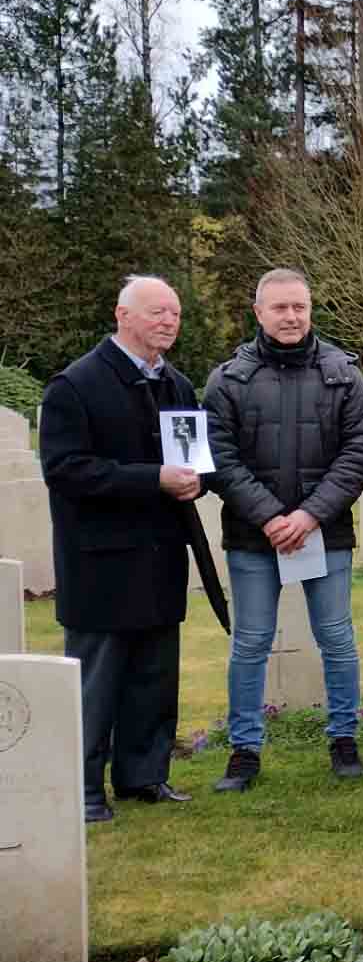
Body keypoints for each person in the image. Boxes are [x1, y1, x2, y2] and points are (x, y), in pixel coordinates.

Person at [203, 268, 363, 792]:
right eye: (279, 308)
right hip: (254, 536)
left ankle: (344, 738)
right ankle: (244, 750)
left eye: (299, 307)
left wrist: (308, 515)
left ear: (310, 309)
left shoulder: (342, 373)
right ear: (258, 312)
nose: (291, 316)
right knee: (252, 642)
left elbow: (359, 451)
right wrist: (271, 517)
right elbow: (221, 458)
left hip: (325, 531)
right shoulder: (228, 379)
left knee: (337, 639)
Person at [40, 275, 201, 822]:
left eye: (174, 313)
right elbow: (65, 470)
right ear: (122, 314)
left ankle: (144, 776)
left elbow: (191, 454)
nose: (168, 321)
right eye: (156, 311)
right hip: (101, 561)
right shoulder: (75, 385)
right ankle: (84, 788)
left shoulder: (177, 384)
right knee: (97, 682)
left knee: (153, 678)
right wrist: (152, 479)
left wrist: (196, 478)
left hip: (159, 556)